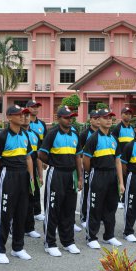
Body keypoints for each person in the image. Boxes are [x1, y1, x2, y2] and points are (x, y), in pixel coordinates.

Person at [0, 105, 35, 264]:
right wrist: (4, 173)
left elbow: (29, 157)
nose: (23, 117)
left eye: (24, 114)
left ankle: (18, 247)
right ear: (9, 117)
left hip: (23, 176)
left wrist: (31, 177)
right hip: (8, 174)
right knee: (4, 213)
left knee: (21, 213)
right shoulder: (2, 136)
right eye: (18, 114)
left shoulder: (25, 135)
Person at [38, 106, 83, 256]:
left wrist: (80, 177)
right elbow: (42, 154)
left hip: (71, 175)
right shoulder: (52, 134)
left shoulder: (75, 134)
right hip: (56, 173)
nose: (69, 120)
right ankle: (50, 243)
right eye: (66, 117)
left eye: (71, 117)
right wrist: (54, 162)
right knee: (53, 209)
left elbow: (78, 157)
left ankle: (68, 241)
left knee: (69, 210)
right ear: (59, 118)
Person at [82, 108, 124, 249]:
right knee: (95, 206)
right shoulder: (93, 138)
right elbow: (86, 160)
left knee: (111, 207)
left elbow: (118, 161)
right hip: (98, 174)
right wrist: (92, 172)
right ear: (98, 120)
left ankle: (109, 236)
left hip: (112, 176)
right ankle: (91, 237)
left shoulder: (113, 139)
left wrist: (121, 182)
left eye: (110, 117)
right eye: (105, 117)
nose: (108, 120)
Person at [78, 110, 99, 230]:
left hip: (99, 169)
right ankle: (84, 217)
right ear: (90, 120)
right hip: (87, 168)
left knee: (97, 194)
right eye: (95, 118)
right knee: (86, 192)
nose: (97, 120)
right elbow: (80, 154)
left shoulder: (104, 134)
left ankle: (96, 216)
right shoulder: (85, 134)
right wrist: (83, 171)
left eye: (98, 118)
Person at [22, 115, 43, 239]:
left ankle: (29, 228)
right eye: (22, 116)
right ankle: (13, 227)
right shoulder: (14, 134)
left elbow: (38, 157)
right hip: (17, 172)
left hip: (32, 172)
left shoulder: (34, 134)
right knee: (17, 202)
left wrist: (40, 175)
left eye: (27, 116)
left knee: (31, 199)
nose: (25, 118)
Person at [26, 100, 47, 221]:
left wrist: (44, 160)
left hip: (36, 158)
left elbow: (43, 144)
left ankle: (37, 210)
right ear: (27, 108)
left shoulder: (41, 124)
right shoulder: (22, 124)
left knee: (37, 185)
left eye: (37, 107)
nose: (35, 109)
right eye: (33, 107)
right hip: (23, 160)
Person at [112, 107, 135, 209]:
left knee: (127, 178)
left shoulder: (132, 129)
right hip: (120, 159)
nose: (128, 115)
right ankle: (117, 199)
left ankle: (124, 198)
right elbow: (114, 144)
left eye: (130, 114)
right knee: (118, 179)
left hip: (130, 159)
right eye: (126, 113)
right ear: (121, 115)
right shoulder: (117, 128)